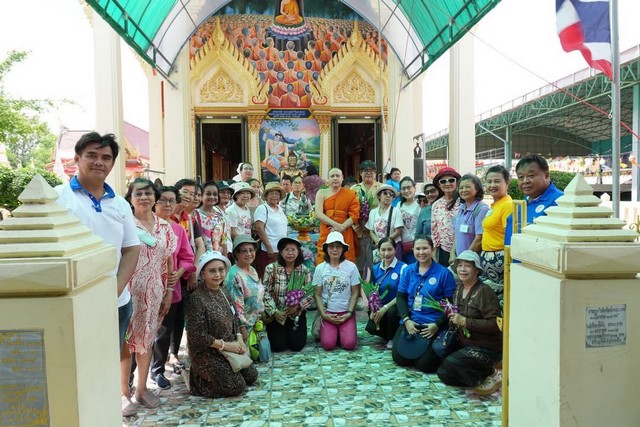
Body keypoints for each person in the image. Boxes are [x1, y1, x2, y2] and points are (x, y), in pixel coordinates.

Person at [54, 132, 140, 416]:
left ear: (113, 164)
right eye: (91, 155)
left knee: (107, 359)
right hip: (71, 300)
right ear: (77, 159)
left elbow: (131, 249)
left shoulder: (120, 204)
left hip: (115, 301)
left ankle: (104, 412)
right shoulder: (57, 198)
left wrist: (115, 288)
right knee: (73, 362)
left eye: (106, 157)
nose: (99, 162)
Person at [121, 179, 177, 411]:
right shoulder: (124, 223)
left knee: (146, 340)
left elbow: (169, 261)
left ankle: (142, 389)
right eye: (138, 194)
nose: (144, 198)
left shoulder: (164, 226)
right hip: (126, 292)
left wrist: (169, 292)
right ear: (130, 198)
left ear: (155, 198)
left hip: (155, 293)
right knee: (125, 343)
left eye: (148, 193)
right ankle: (124, 393)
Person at [186, 251, 258, 397]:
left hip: (228, 347)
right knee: (236, 386)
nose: (217, 274)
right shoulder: (196, 299)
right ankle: (196, 380)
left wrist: (239, 340)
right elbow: (197, 336)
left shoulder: (224, 292)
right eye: (212, 271)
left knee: (251, 376)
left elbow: (235, 317)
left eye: (221, 270)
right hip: (207, 352)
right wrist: (226, 346)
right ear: (203, 274)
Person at [436, 251, 503, 396]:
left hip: (487, 347)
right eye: (460, 265)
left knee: (452, 363)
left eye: (467, 266)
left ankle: (492, 373)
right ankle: (481, 373)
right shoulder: (459, 289)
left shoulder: (484, 291)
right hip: (466, 343)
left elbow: (496, 324)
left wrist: (465, 321)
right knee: (443, 372)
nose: (462, 269)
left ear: (477, 270)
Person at [150, 186, 195, 391]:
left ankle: (157, 370)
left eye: (172, 200)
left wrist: (180, 271)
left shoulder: (177, 229)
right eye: (163, 200)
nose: (167, 204)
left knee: (164, 330)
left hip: (170, 288)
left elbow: (187, 257)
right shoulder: (144, 226)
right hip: (146, 287)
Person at [392, 235, 456, 373]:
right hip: (412, 322)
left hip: (432, 324)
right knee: (399, 359)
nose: (421, 252)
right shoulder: (408, 270)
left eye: (425, 248)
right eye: (418, 249)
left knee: (425, 365)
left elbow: (450, 304)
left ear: (432, 249)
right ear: (413, 250)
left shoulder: (444, 273)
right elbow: (401, 297)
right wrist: (406, 320)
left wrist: (437, 324)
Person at [263, 237, 313, 352]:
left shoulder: (304, 270)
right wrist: (274, 312)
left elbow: (309, 293)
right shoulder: (271, 269)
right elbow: (265, 292)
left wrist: (298, 306)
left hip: (295, 314)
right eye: (286, 250)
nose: (290, 253)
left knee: (297, 345)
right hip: (277, 314)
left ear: (298, 252)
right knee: (278, 346)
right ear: (281, 252)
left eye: (293, 250)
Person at [313, 231, 361, 351]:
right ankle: (335, 333)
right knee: (328, 345)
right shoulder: (320, 268)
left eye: (338, 246)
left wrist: (349, 313)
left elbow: (355, 292)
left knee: (349, 344)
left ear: (343, 249)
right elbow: (317, 294)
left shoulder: (351, 267)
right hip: (328, 312)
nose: (335, 249)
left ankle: (344, 331)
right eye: (331, 246)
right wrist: (324, 315)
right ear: (326, 249)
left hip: (346, 312)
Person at [505, 155, 564, 244]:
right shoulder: (524, 202)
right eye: (520, 177)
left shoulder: (559, 201)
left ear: (546, 176)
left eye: (531, 175)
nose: (525, 181)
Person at [365, 237, 406, 349]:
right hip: (381, 306)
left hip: (397, 306)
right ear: (378, 250)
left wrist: (385, 307)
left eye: (390, 249)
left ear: (395, 250)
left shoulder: (403, 268)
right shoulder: (375, 268)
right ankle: (386, 333)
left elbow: (403, 294)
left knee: (391, 312)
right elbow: (372, 291)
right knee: (371, 326)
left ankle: (392, 336)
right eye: (383, 250)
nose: (386, 253)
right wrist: (373, 309)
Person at [315, 168, 360, 264]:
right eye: (332, 176)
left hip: (345, 230)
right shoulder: (321, 193)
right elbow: (318, 214)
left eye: (337, 176)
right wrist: (336, 225)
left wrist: (342, 227)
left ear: (342, 178)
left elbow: (355, 215)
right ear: (328, 179)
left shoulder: (350, 194)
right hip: (327, 229)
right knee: (324, 258)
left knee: (346, 259)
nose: (335, 178)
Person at [226, 235, 265, 342]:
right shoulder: (235, 275)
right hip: (242, 329)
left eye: (251, 250)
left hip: (255, 323)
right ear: (237, 254)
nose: (249, 254)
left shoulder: (252, 269)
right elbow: (235, 307)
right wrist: (242, 329)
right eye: (244, 251)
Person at [481, 165, 513, 293]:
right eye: (489, 181)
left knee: (498, 298)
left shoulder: (507, 205)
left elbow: (509, 235)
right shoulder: (496, 205)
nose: (492, 185)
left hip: (499, 260)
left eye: (497, 181)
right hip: (490, 259)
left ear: (507, 183)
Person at [351, 160, 382, 274]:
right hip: (359, 231)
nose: (368, 173)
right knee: (359, 263)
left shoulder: (382, 188)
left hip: (376, 232)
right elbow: (349, 209)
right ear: (360, 173)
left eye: (371, 170)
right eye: (365, 170)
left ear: (375, 173)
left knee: (375, 262)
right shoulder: (354, 189)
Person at [253, 181, 288, 277]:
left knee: (278, 276)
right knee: (266, 276)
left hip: (280, 250)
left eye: (277, 194)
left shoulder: (280, 209)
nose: (274, 196)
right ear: (266, 195)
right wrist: (269, 247)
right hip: (268, 250)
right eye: (271, 193)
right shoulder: (262, 208)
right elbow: (259, 228)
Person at [431, 167, 461, 267]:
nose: (447, 184)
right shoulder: (436, 205)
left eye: (451, 180)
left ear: (457, 182)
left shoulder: (463, 202)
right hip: (443, 251)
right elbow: (434, 230)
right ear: (439, 185)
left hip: (462, 248)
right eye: (443, 181)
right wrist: (434, 252)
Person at [365, 184, 403, 262]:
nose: (388, 196)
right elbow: (371, 231)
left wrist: (384, 242)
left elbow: (398, 231)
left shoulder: (396, 211)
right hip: (378, 247)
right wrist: (378, 242)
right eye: (385, 193)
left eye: (391, 194)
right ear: (379, 196)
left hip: (393, 246)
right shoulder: (373, 212)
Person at [453, 174, 489, 255]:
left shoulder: (482, 209)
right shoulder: (461, 208)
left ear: (477, 189)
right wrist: (452, 255)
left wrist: (465, 258)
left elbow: (479, 239)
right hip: (459, 259)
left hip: (471, 259)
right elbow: (457, 234)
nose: (463, 190)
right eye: (461, 188)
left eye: (467, 187)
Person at [196, 181, 231, 255]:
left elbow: (224, 241)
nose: (212, 197)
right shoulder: (195, 215)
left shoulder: (220, 217)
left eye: (215, 194)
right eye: (208, 194)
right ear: (201, 196)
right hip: (201, 257)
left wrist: (225, 258)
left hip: (217, 258)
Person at [398, 177, 421, 264]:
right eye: (403, 188)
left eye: (409, 187)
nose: (406, 191)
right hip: (402, 246)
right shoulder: (399, 205)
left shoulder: (420, 203)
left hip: (417, 245)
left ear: (414, 188)